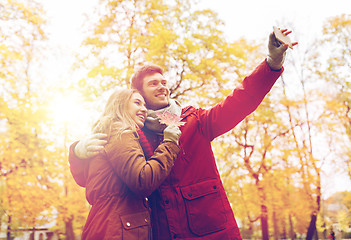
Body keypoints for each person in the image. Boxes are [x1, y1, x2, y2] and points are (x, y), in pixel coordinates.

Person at [69, 29, 298, 239]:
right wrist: (78, 151)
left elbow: (238, 101)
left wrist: (272, 63)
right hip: (163, 232)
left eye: (164, 82)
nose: (162, 86)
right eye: (153, 84)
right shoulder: (131, 133)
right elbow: (94, 180)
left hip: (210, 229)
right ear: (138, 95)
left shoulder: (193, 120)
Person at [75, 88, 181, 240]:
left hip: (108, 225)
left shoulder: (108, 131)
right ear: (120, 105)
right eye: (137, 103)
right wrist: (169, 143)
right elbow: (142, 180)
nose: (144, 109)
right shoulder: (120, 131)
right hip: (118, 229)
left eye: (144, 105)